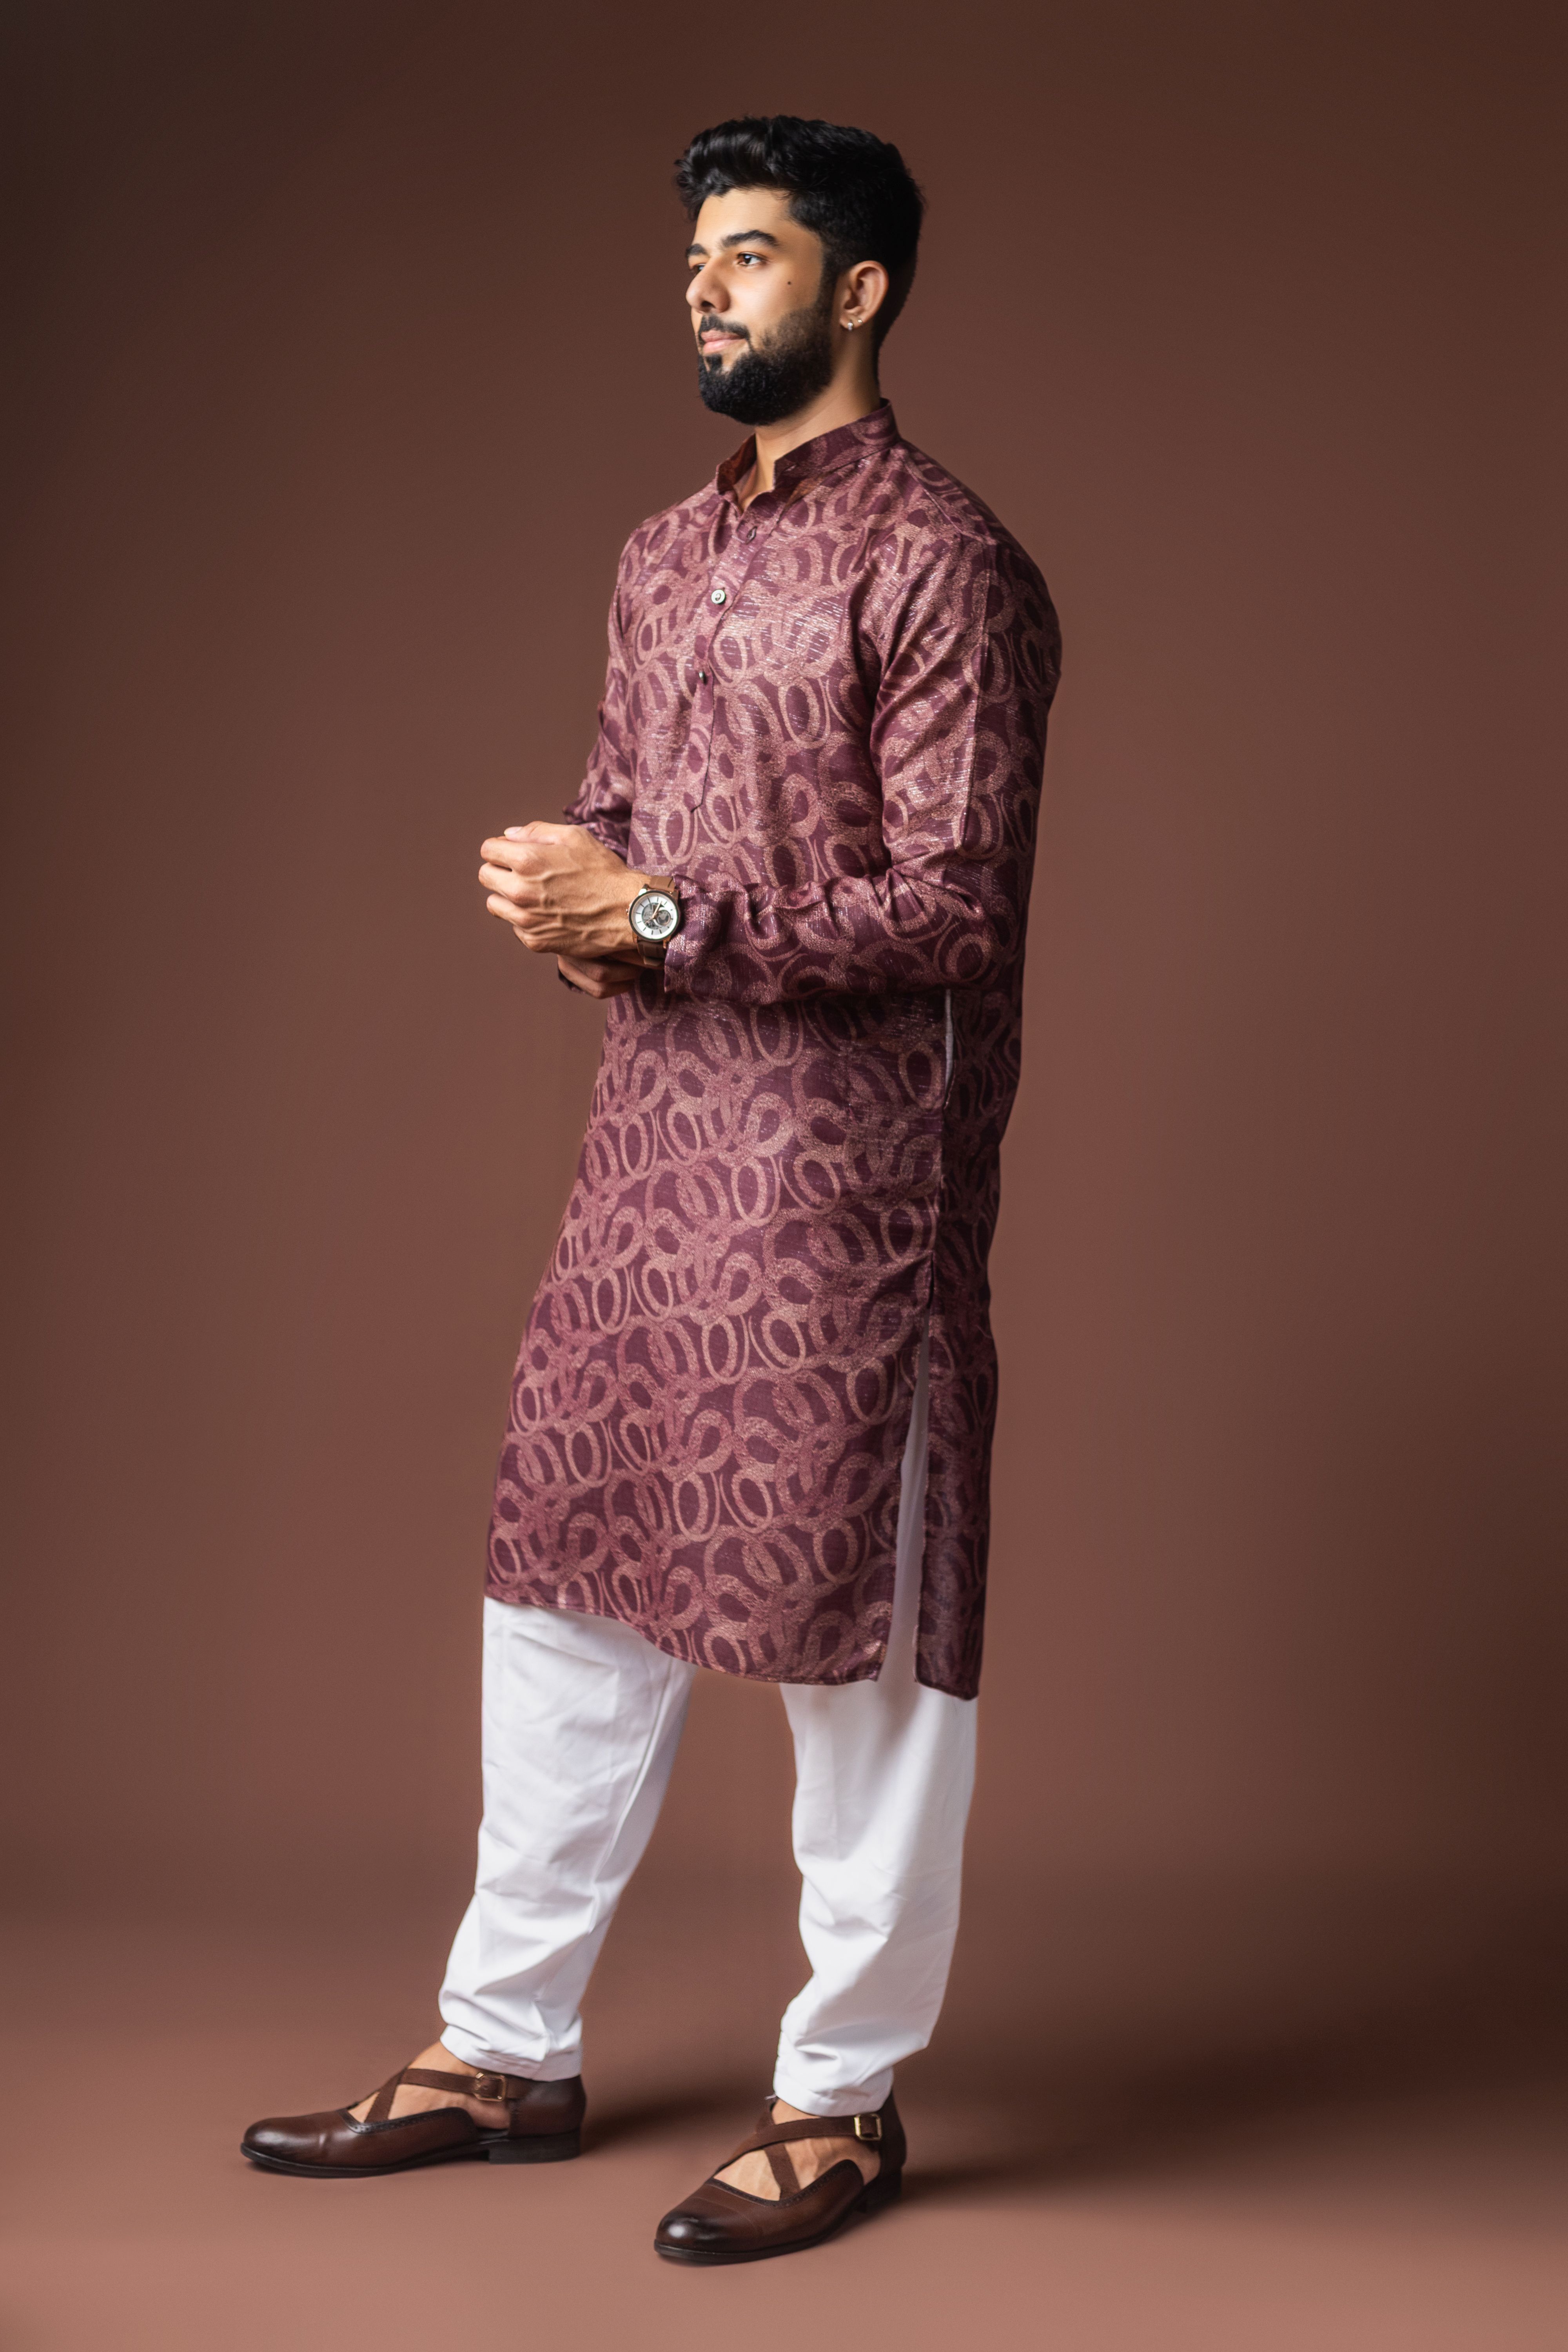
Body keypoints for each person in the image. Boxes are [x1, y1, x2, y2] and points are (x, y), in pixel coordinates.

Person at [242, 113, 1060, 2264]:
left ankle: (842, 2096)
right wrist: (571, 895)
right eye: (696, 255)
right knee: (561, 1587)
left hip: (844, 1204)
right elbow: (630, 813)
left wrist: (666, 917)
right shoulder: (660, 553)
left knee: (857, 1647)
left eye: (751, 254)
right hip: (648, 1169)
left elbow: (956, 906)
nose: (704, 286)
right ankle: (504, 2047)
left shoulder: (945, 564)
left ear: (857, 290)